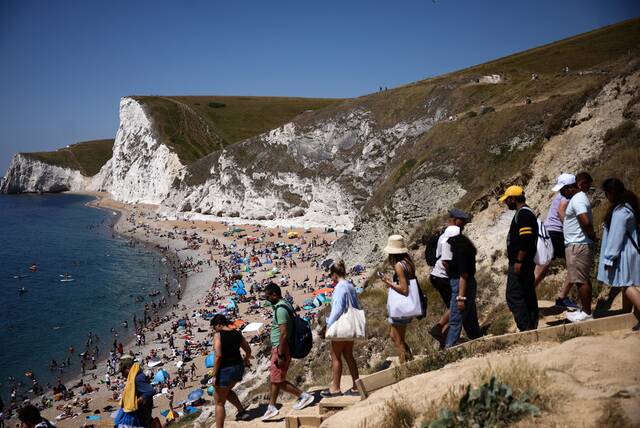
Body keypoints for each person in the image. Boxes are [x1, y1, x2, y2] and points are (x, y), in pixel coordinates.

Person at [262, 283, 314, 421]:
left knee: (277, 379)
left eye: (268, 297)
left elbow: (284, 334)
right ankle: (271, 407)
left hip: (281, 348)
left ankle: (303, 396)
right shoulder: (285, 304)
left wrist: (280, 353)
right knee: (276, 378)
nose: (267, 300)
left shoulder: (280, 310)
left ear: (274, 294)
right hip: (281, 347)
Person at [597, 178, 640, 331]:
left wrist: (609, 259)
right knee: (626, 282)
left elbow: (616, 237)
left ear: (611, 193)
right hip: (631, 251)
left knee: (626, 284)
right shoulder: (629, 206)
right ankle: (626, 312)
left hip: (624, 252)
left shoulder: (620, 211)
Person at [500, 185, 539, 331]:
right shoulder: (523, 213)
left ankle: (525, 328)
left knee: (513, 296)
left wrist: (519, 260)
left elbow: (526, 239)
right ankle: (531, 326)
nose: (505, 203)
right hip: (524, 262)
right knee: (527, 293)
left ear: (512, 199)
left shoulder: (523, 214)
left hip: (521, 262)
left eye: (507, 200)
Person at [428, 209, 470, 347]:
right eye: (462, 221)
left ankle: (444, 338)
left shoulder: (444, 232)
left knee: (452, 307)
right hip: (443, 275)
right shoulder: (454, 231)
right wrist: (455, 273)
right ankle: (440, 329)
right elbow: (447, 258)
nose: (464, 224)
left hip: (436, 275)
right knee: (455, 306)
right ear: (455, 219)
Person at [536, 174, 577, 309]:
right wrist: (570, 229)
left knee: (543, 266)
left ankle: (525, 296)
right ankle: (562, 297)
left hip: (550, 232)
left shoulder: (564, 194)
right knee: (575, 265)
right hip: (557, 232)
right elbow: (561, 211)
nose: (560, 190)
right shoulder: (567, 195)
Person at [559, 172, 596, 322]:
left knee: (581, 280)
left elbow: (585, 221)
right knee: (582, 279)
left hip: (577, 245)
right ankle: (585, 310)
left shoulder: (577, 199)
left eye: (562, 189)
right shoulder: (577, 198)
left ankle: (587, 313)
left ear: (570, 187)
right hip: (578, 244)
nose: (561, 193)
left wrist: (591, 235)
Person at [321, 261, 361, 398]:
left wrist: (328, 325)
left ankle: (335, 388)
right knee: (349, 355)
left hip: (341, 326)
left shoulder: (339, 288)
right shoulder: (351, 286)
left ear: (334, 275)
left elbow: (337, 309)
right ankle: (357, 386)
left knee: (335, 355)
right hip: (351, 325)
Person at [444, 217, 482, 348]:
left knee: (455, 319)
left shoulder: (459, 252)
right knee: (470, 317)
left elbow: (463, 276)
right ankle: (477, 340)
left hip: (461, 285)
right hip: (471, 283)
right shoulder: (467, 248)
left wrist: (460, 297)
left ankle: (450, 347)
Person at [379, 235, 417, 363]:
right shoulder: (408, 263)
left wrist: (388, 283)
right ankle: (409, 359)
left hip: (401, 307)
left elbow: (404, 289)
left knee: (397, 338)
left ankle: (405, 364)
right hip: (407, 305)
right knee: (394, 336)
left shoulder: (399, 266)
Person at [210, 314, 252, 427]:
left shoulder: (218, 335)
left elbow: (218, 355)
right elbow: (248, 350)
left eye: (214, 327)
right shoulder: (237, 333)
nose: (214, 330)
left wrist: (214, 375)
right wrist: (246, 361)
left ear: (218, 325)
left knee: (219, 403)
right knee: (227, 391)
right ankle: (242, 412)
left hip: (225, 370)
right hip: (238, 368)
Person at [116, 356, 156, 427]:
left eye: (122, 371)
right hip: (142, 413)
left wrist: (136, 401)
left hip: (142, 414)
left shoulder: (138, 378)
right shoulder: (135, 376)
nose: (122, 374)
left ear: (128, 369)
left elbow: (151, 391)